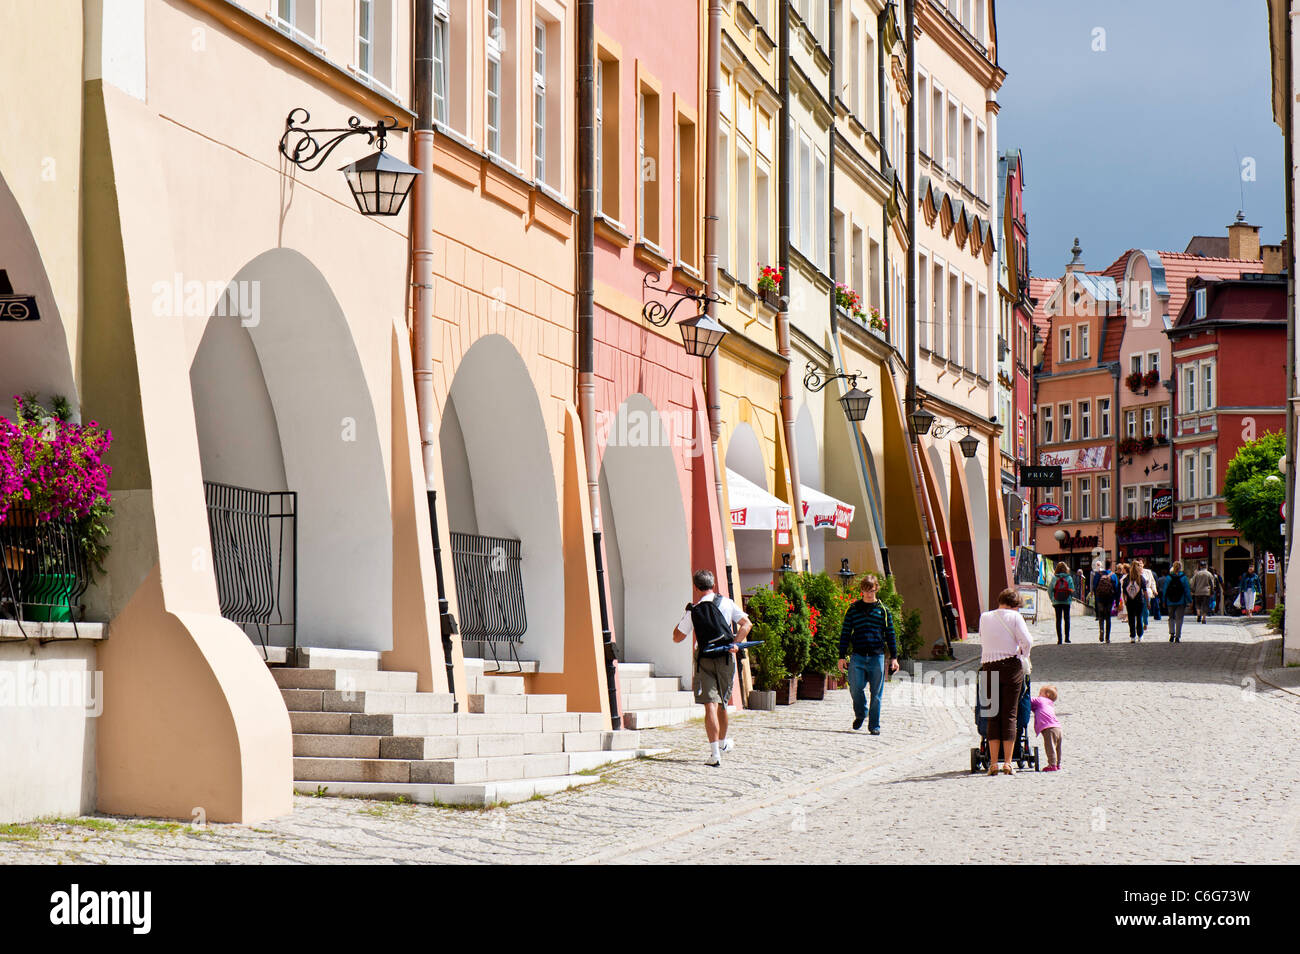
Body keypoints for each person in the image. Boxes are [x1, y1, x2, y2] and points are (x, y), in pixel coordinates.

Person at [673, 568, 751, 766]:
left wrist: (686, 615)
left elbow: (677, 637)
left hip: (704, 657)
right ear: (713, 584)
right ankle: (724, 743)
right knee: (723, 703)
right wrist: (735, 642)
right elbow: (746, 624)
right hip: (725, 656)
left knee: (710, 704)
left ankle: (715, 753)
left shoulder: (695, 609)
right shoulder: (726, 603)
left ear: (696, 587)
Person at [978, 589, 1034, 775]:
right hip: (1011, 667)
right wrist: (1022, 654)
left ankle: (993, 763)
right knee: (1010, 714)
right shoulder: (1015, 617)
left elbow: (982, 638)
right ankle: (1008, 763)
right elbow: (1027, 640)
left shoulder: (985, 617)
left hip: (989, 667)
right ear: (1016, 605)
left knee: (993, 714)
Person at [837, 574, 899, 735]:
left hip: (877, 656)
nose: (869, 594)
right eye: (866, 591)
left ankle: (874, 725)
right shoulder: (853, 609)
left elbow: (890, 634)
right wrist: (841, 656)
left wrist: (894, 657)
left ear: (876, 589)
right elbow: (845, 633)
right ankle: (861, 712)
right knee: (855, 688)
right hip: (857, 655)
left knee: (876, 694)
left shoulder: (883, 611)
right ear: (862, 591)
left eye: (871, 590)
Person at [1030, 684, 1062, 772]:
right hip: (1057, 727)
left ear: (1046, 694)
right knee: (1057, 747)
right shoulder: (1050, 703)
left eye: (1040, 693)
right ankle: (1058, 764)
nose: (1038, 695)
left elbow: (1028, 700)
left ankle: (1052, 765)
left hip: (1049, 728)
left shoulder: (1041, 700)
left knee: (1050, 746)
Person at [1163, 561, 1190, 643]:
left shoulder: (1168, 577)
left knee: (1171, 617)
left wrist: (1164, 600)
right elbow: (1187, 590)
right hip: (1181, 601)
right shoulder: (1184, 578)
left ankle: (1172, 633)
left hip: (1170, 601)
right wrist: (1189, 600)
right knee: (1179, 619)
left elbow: (1165, 590)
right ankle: (1177, 636)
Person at [1049, 561, 1075, 644]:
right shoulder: (1069, 578)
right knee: (1067, 619)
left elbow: (1049, 590)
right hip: (1066, 601)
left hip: (1057, 602)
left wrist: (1053, 599)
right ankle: (1067, 638)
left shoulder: (1054, 578)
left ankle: (1059, 639)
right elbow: (1072, 590)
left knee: (1058, 620)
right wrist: (1070, 597)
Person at [1092, 562, 1118, 643]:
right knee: (1108, 617)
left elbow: (1094, 586)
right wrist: (1116, 600)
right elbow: (1116, 588)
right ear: (1110, 566)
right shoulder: (1113, 575)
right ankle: (1107, 637)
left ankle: (1101, 631)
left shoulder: (1098, 574)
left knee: (1101, 616)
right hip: (1110, 598)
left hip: (1100, 598)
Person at [1122, 563, 1146, 643]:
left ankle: (1132, 636)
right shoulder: (1141, 578)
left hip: (1130, 601)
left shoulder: (1126, 579)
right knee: (1139, 618)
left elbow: (1124, 591)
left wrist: (1125, 600)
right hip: (1139, 601)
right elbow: (1145, 591)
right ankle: (1140, 635)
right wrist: (1148, 602)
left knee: (1131, 618)